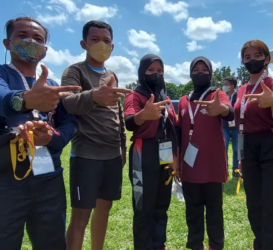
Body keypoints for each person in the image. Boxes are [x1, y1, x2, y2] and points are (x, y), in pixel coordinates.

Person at [0, 17, 79, 250]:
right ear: (7, 43)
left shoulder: (52, 85)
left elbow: (69, 123)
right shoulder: (3, 76)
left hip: (48, 178)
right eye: (22, 36)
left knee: (53, 242)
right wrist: (23, 100)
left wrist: (52, 138)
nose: (31, 41)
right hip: (6, 180)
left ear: (45, 49)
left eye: (38, 39)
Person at [61, 20, 131, 250]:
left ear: (113, 47)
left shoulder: (112, 75)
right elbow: (68, 103)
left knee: (104, 211)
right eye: (95, 40)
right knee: (81, 217)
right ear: (84, 43)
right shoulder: (74, 71)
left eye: (106, 41)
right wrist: (94, 96)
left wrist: (122, 146)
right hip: (86, 156)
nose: (101, 44)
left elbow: (118, 112)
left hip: (112, 156)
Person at [234, 40, 273, 250]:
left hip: (270, 144)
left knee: (272, 203)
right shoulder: (241, 90)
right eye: (247, 57)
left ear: (266, 59)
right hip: (247, 146)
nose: (252, 60)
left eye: (257, 56)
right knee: (254, 204)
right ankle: (260, 244)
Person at [177, 56, 234, 250]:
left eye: (204, 69)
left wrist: (222, 109)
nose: (200, 73)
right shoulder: (184, 101)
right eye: (196, 69)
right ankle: (195, 245)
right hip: (190, 166)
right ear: (190, 72)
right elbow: (178, 132)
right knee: (192, 212)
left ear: (210, 72)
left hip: (212, 167)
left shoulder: (217, 95)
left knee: (214, 212)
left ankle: (215, 246)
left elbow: (230, 111)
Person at [123, 54, 178, 250]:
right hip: (143, 151)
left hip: (164, 151)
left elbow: (172, 127)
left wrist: (174, 158)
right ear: (142, 72)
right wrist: (142, 116)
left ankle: (159, 245)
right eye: (151, 70)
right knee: (143, 206)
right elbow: (129, 121)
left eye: (160, 71)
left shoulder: (166, 98)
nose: (156, 74)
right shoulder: (135, 95)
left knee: (162, 204)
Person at [222, 75, 240, 177]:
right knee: (223, 148)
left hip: (236, 127)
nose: (223, 86)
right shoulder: (223, 96)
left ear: (232, 86)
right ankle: (224, 170)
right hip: (224, 126)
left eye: (225, 84)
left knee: (236, 149)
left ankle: (235, 169)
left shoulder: (239, 95)